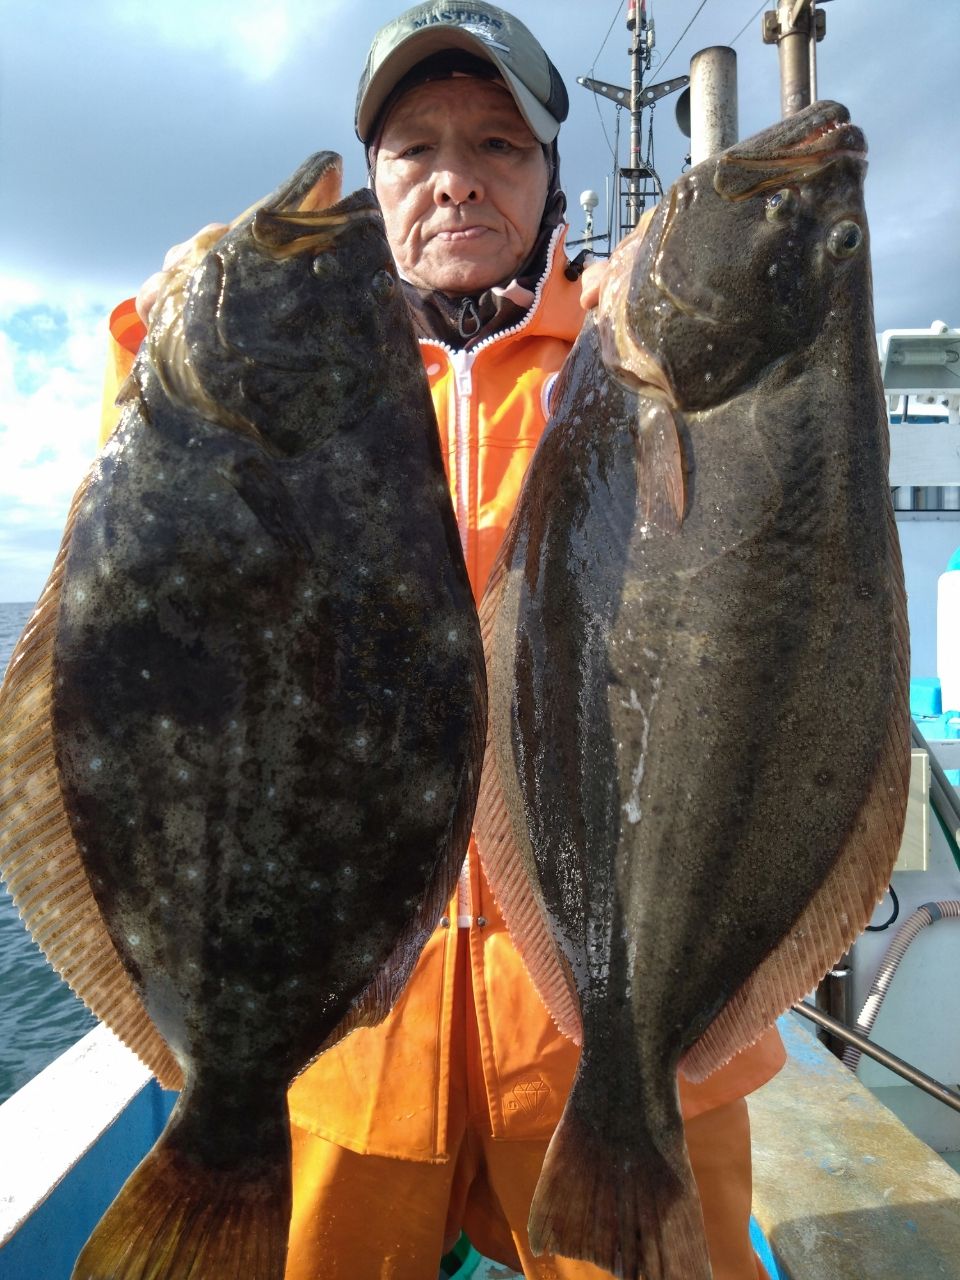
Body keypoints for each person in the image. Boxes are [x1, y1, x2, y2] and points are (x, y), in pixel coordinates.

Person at [101, 4, 786, 1277]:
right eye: (414, 147)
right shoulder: (297, 367)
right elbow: (148, 578)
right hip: (349, 1041)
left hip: (618, 1039)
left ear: (550, 174)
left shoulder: (643, 362)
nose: (456, 174)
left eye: (498, 143)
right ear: (373, 180)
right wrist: (162, 338)